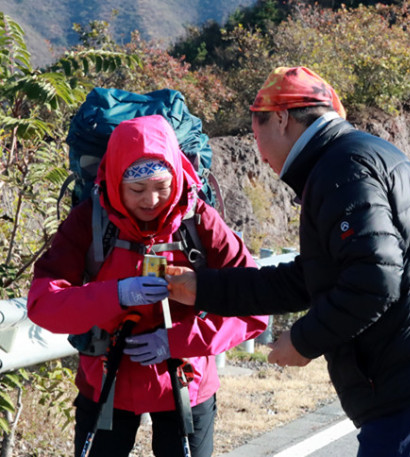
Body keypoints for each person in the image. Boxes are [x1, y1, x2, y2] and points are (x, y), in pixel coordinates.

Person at [166, 66, 410, 457]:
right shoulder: (352, 157)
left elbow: (374, 281)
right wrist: (201, 288)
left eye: (258, 136)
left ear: (281, 117)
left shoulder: (342, 168)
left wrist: (304, 341)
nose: (260, 153)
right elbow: (307, 279)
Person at [27, 114, 268, 457]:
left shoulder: (197, 219)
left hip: (185, 380)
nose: (151, 201)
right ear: (113, 180)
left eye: (162, 187)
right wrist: (117, 294)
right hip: (107, 379)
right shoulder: (89, 219)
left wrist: (178, 341)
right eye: (137, 189)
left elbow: (255, 303)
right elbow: (42, 303)